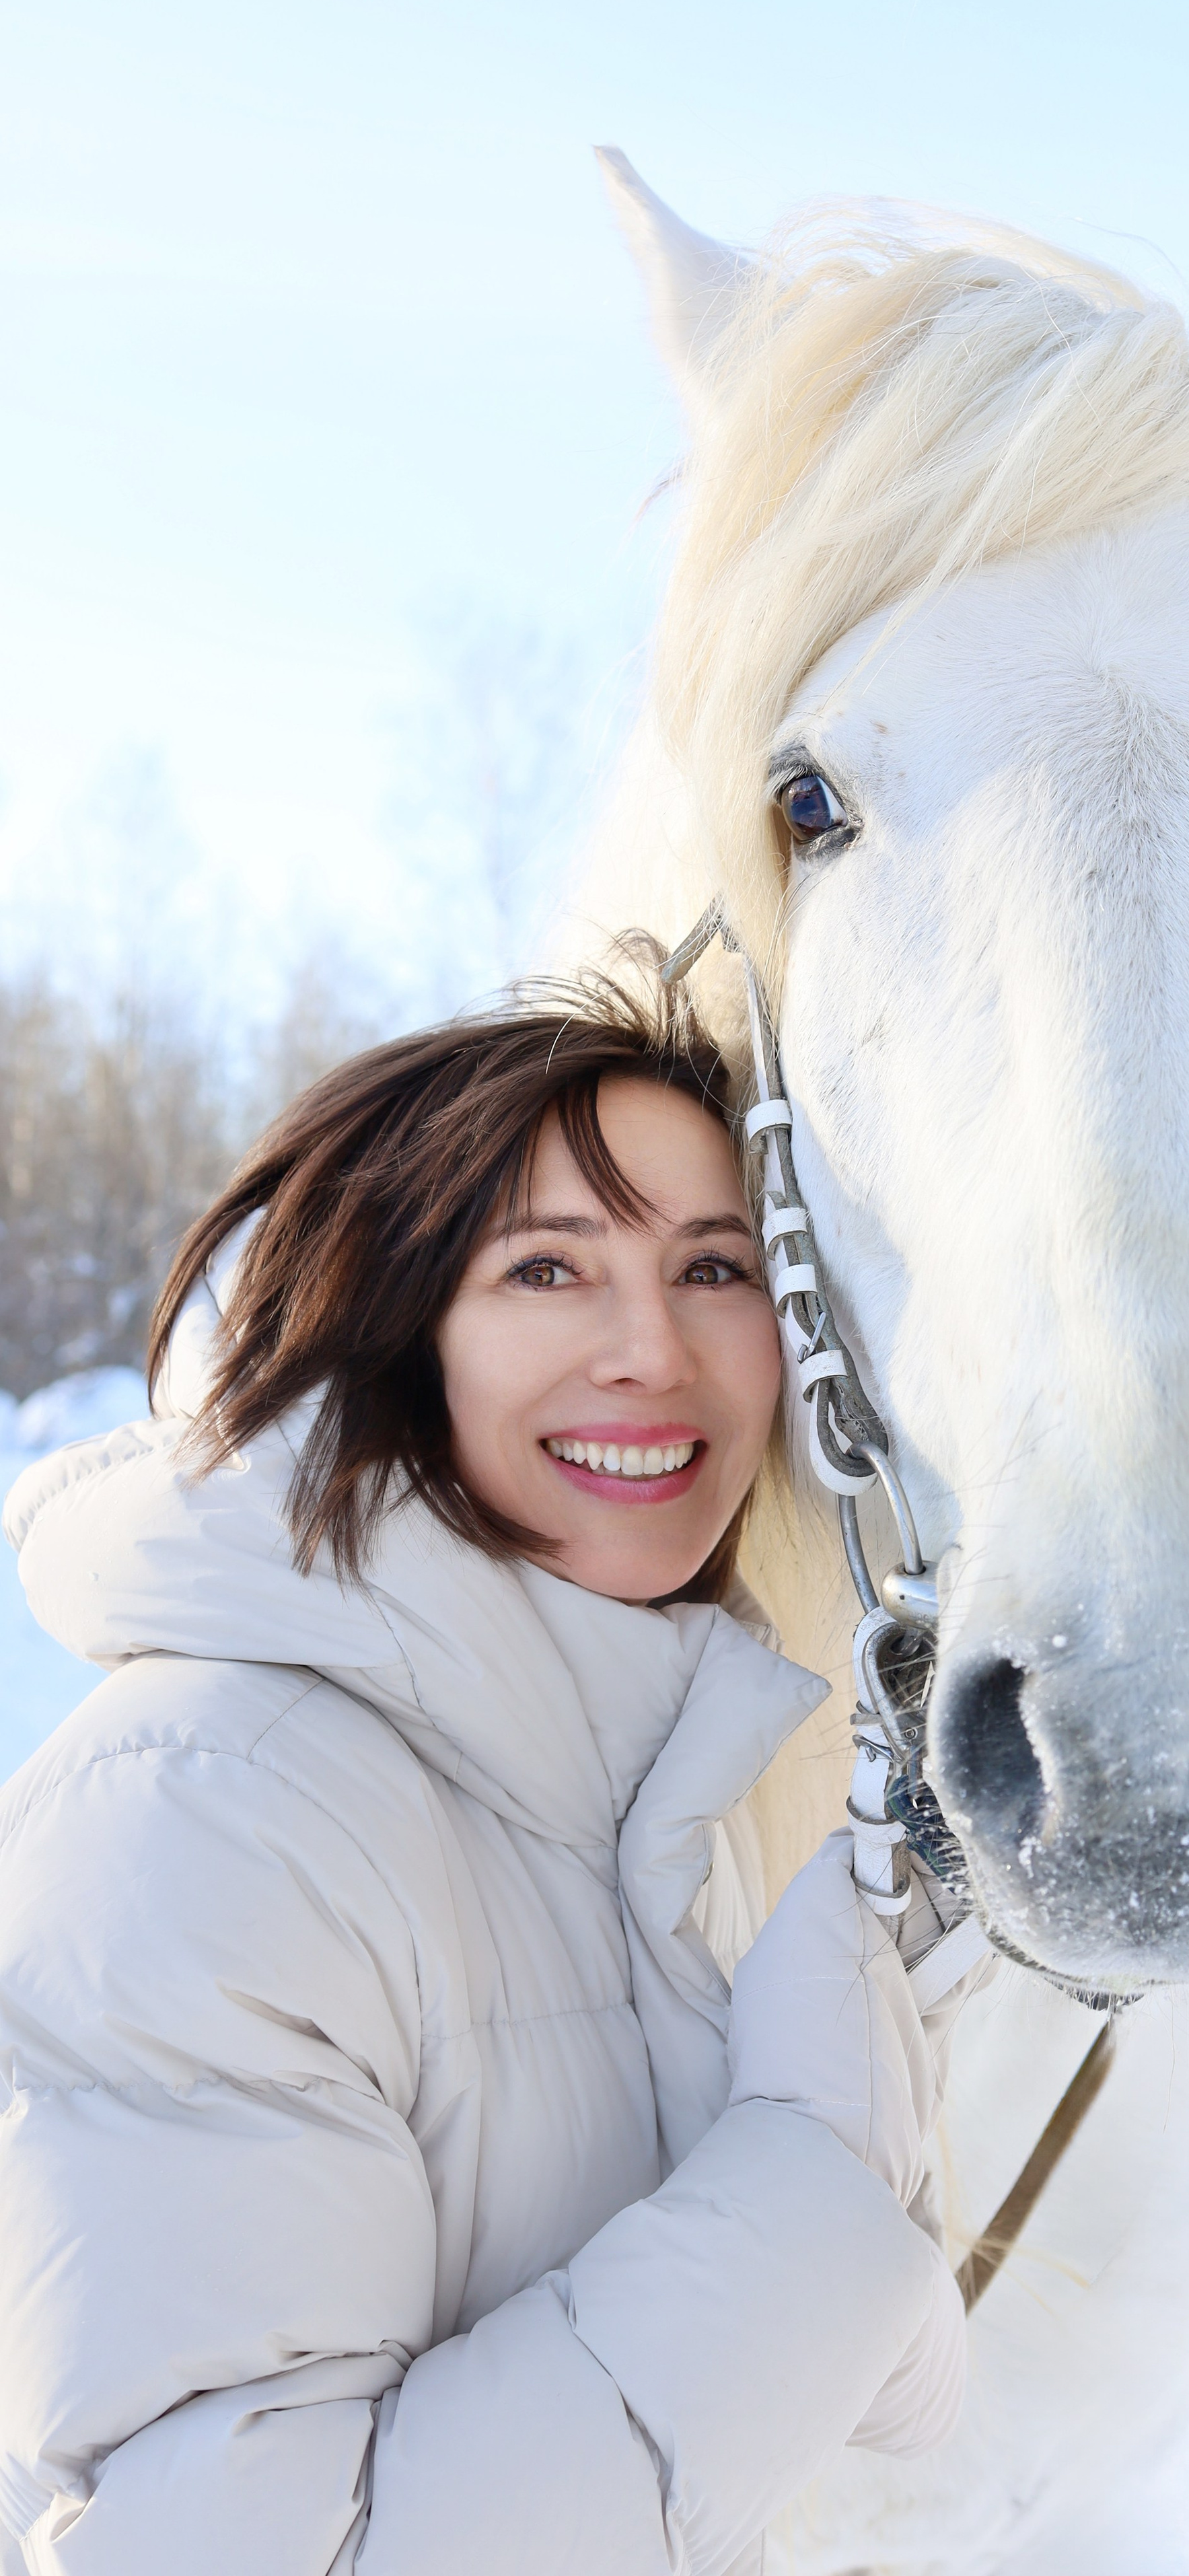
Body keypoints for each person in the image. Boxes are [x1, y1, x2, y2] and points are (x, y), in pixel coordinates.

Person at [0, 958, 980, 2576]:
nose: (650, 1352)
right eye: (545, 1270)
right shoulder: (204, 1816)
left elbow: (877, 2398)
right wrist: (812, 2159)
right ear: (392, 1330)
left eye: (716, 1267)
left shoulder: (640, 1797)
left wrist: (875, 2031)